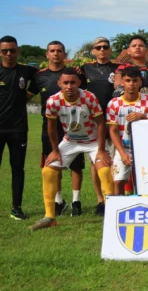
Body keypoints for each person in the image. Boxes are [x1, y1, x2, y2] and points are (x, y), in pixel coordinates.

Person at [31, 68, 114, 230]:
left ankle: (111, 215)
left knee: (104, 170)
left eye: (73, 82)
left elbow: (101, 123)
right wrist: (55, 151)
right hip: (70, 141)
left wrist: (102, 150)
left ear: (79, 83)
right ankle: (49, 217)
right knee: (48, 171)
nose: (69, 86)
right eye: (66, 83)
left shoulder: (89, 98)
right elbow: (52, 128)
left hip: (92, 140)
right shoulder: (53, 101)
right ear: (59, 83)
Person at [0, 36, 37, 221]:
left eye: (12, 50)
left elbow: (46, 76)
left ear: (18, 51)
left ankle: (16, 208)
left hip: (18, 129)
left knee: (18, 169)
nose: (9, 54)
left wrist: (25, 97)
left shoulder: (27, 70)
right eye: (5, 51)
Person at [28, 40, 86, 216]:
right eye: (52, 51)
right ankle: (59, 201)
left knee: (76, 165)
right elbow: (26, 96)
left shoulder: (75, 74)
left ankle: (76, 201)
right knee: (54, 163)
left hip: (74, 125)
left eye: (59, 51)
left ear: (64, 54)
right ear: (47, 54)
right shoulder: (39, 76)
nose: (56, 54)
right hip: (50, 127)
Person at [106, 66, 148, 195]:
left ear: (140, 82)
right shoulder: (114, 104)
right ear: (122, 82)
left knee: (143, 181)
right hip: (123, 148)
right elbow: (113, 131)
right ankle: (118, 210)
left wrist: (143, 117)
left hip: (144, 148)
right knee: (119, 181)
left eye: (135, 81)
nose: (131, 84)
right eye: (128, 80)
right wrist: (122, 153)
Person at [82, 37, 119, 215]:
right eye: (98, 47)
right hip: (93, 121)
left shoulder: (118, 68)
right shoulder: (85, 69)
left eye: (105, 47)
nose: (102, 50)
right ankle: (100, 200)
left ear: (110, 50)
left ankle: (111, 197)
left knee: (112, 161)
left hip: (114, 120)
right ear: (93, 51)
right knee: (95, 161)